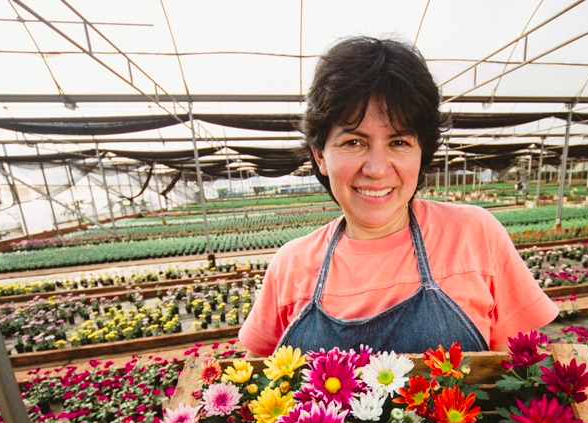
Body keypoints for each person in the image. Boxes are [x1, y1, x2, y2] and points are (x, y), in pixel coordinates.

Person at [238, 36, 558, 358]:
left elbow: (520, 374)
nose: (377, 169)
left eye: (399, 143)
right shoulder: (290, 266)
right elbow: (255, 377)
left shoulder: (474, 236)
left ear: (422, 152)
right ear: (320, 155)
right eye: (353, 142)